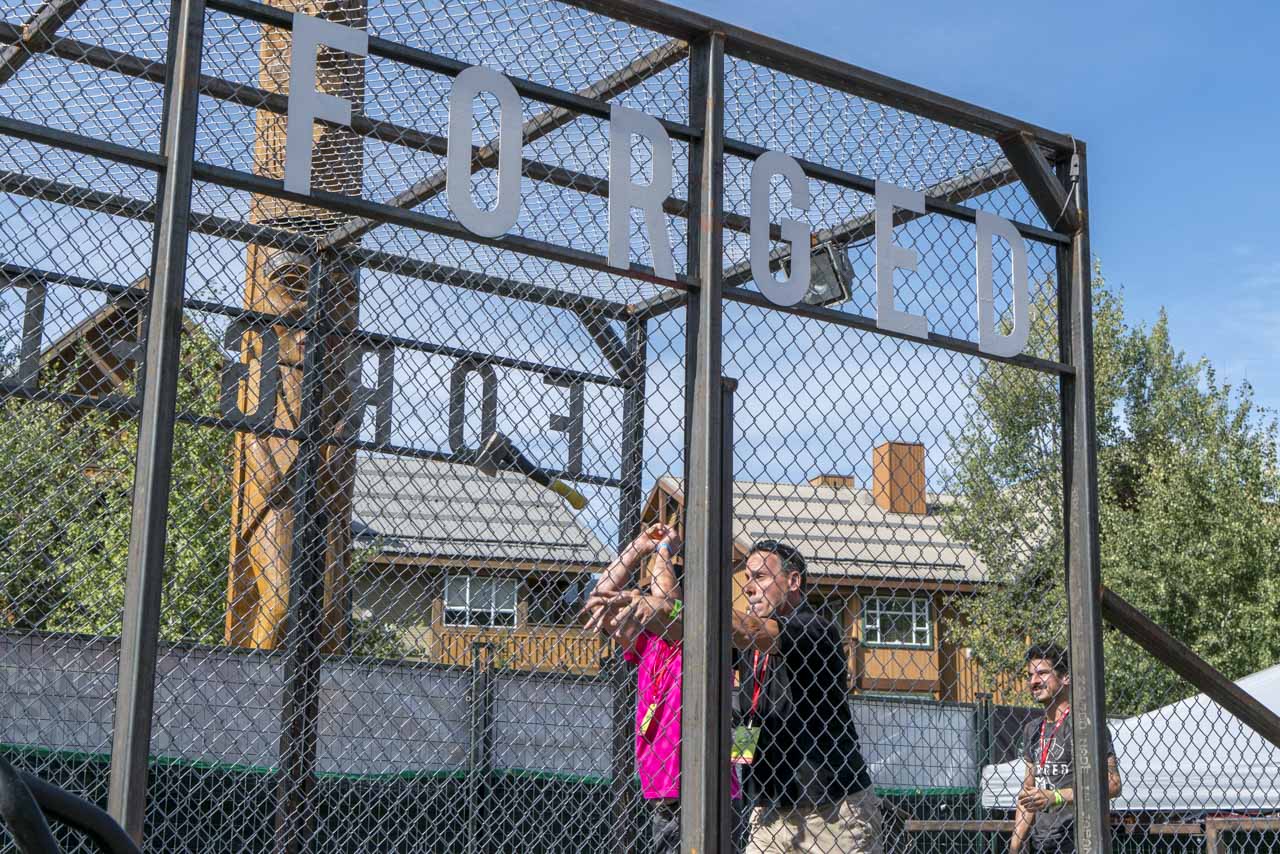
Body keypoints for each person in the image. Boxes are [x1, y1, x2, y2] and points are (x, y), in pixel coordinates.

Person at [593, 539, 883, 854]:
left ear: (793, 581)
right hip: (769, 811)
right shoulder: (744, 649)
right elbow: (686, 633)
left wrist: (672, 607)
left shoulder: (814, 629)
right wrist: (644, 607)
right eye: (746, 579)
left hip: (830, 808)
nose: (749, 588)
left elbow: (748, 630)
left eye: (759, 577)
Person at [584, 522, 744, 854]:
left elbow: (668, 606)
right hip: (662, 785)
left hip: (708, 787)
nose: (642, 604)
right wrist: (636, 550)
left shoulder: (704, 635)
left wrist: (663, 553)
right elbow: (600, 602)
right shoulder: (649, 642)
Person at [1011, 643, 1123, 854]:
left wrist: (1057, 796)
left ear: (1066, 677)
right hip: (1040, 845)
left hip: (1079, 843)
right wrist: (1015, 845)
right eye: (1030, 675)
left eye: (1042, 673)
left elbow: (1113, 785)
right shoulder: (1032, 730)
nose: (1033, 681)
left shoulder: (1086, 726)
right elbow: (1028, 793)